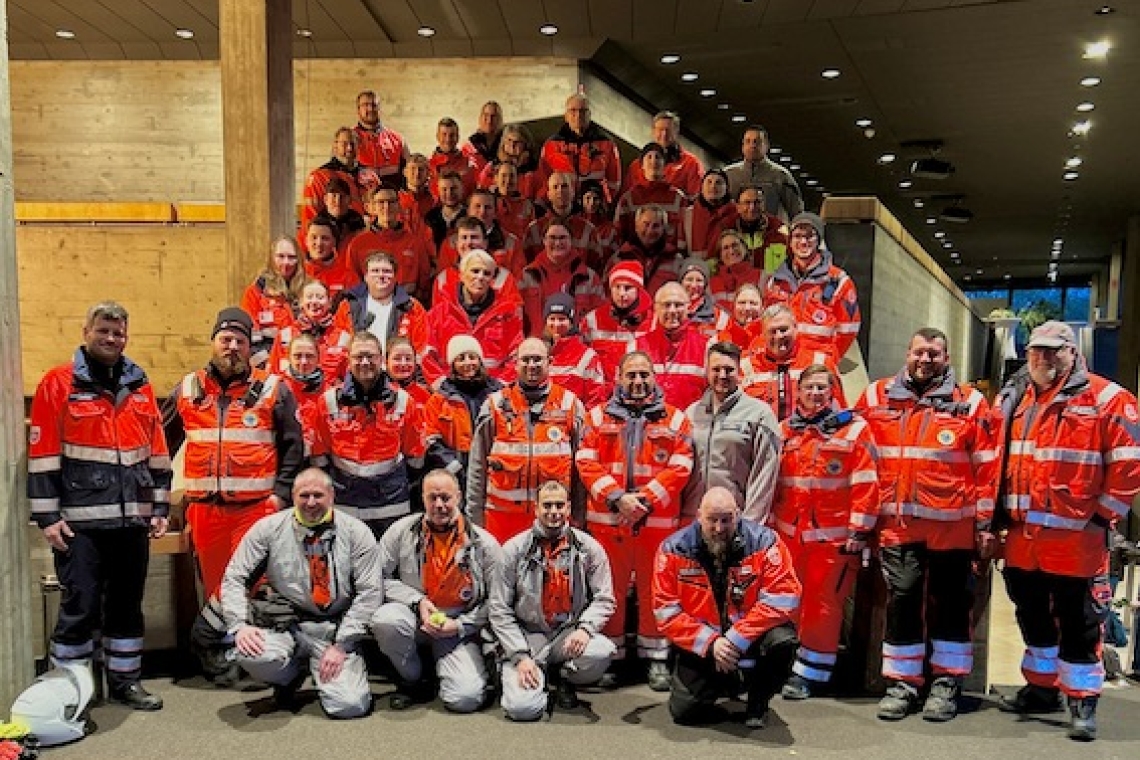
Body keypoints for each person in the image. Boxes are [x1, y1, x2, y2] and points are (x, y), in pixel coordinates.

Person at [993, 321, 1140, 741]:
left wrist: (1100, 518)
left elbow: (1129, 466)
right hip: (1024, 537)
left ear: (1073, 352)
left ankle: (1082, 701)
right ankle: (1042, 690)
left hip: (1077, 538)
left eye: (1054, 351)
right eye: (1037, 351)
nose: (1044, 358)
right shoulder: (1018, 399)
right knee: (1031, 613)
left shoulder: (1108, 399)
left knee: (1080, 622)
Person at [28, 301, 172, 710]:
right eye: (103, 331)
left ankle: (126, 682)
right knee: (80, 607)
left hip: (132, 524)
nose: (111, 339)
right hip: (80, 526)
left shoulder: (140, 385)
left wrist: (158, 508)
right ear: (86, 331)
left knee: (128, 606)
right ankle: (69, 689)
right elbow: (42, 453)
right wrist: (47, 517)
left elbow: (156, 454)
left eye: (119, 332)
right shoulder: (58, 383)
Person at [856, 327, 997, 723]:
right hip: (898, 525)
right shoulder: (875, 396)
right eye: (920, 352)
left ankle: (946, 683)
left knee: (951, 606)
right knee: (902, 601)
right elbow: (859, 459)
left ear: (946, 358)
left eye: (934, 354)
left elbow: (988, 468)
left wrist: (985, 525)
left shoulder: (969, 403)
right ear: (907, 353)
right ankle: (902, 684)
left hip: (954, 529)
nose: (926, 359)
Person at [163, 307, 305, 599]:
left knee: (256, 589)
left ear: (250, 347)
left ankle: (255, 645)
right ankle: (222, 644)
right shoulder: (188, 388)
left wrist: (279, 495)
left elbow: (294, 447)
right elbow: (159, 446)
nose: (233, 348)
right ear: (213, 342)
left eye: (240, 342)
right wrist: (158, 500)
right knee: (216, 592)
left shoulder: (272, 388)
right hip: (205, 513)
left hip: (255, 511)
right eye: (226, 340)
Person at [221, 468, 383, 718]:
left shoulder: (356, 532)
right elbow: (235, 576)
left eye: (318, 495)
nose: (310, 503)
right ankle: (289, 676)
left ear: (332, 495)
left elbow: (370, 592)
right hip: (288, 626)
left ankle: (332, 667)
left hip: (335, 629)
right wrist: (239, 625)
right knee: (250, 652)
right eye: (303, 495)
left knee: (350, 706)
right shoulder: (267, 529)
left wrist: (342, 644)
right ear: (293, 496)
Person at [575, 352, 695, 689]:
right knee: (608, 590)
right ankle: (609, 656)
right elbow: (585, 461)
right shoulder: (596, 418)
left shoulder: (676, 420)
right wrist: (617, 498)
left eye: (644, 374)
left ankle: (656, 658)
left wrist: (644, 500)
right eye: (631, 375)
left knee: (655, 590)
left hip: (655, 525)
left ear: (654, 377)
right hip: (608, 523)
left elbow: (681, 467)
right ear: (619, 378)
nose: (638, 381)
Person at [773, 364, 879, 700]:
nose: (816, 393)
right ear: (798, 391)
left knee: (823, 606)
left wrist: (858, 531)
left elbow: (866, 482)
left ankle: (811, 673)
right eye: (809, 388)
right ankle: (784, 664)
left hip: (833, 540)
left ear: (832, 391)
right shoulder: (784, 430)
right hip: (789, 536)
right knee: (788, 603)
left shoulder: (854, 430)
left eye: (822, 387)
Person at [653, 487, 800, 728]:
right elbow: (666, 613)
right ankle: (726, 683)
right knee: (686, 713)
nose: (719, 528)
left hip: (749, 636)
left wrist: (735, 638)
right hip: (703, 643)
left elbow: (783, 597)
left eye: (727, 520)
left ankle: (758, 701)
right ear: (699, 515)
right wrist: (712, 644)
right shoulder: (672, 550)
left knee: (783, 641)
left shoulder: (766, 542)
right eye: (712, 520)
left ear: (738, 514)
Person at [372, 469, 503, 712]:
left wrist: (462, 625)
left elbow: (499, 602)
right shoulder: (400, 532)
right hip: (415, 617)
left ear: (459, 498)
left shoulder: (484, 544)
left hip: (458, 627)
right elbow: (377, 578)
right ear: (422, 498)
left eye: (445, 497)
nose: (439, 505)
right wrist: (415, 601)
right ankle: (413, 680)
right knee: (386, 620)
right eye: (432, 498)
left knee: (465, 699)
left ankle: (467, 665)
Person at [489, 481, 617, 721]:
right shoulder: (513, 550)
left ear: (568, 508)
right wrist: (520, 655)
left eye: (559, 505)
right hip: (527, 637)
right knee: (522, 710)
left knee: (602, 651)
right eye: (547, 505)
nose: (554, 511)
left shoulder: (589, 548)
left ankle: (561, 676)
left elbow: (604, 598)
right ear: (535, 509)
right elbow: (498, 609)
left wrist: (585, 629)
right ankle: (523, 671)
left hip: (566, 635)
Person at [467, 338, 585, 543]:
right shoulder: (495, 405)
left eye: (538, 360)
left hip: (553, 519)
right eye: (526, 360)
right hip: (501, 521)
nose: (532, 366)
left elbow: (580, 469)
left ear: (550, 362)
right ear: (515, 363)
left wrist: (578, 516)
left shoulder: (570, 405)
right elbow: (477, 467)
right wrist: (475, 520)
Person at [310, 332, 426, 537]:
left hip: (392, 505)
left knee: (390, 566)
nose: (365, 362)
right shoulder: (328, 402)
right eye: (358, 357)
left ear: (381, 359)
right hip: (344, 502)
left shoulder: (403, 401)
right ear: (348, 360)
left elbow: (415, 456)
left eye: (371, 356)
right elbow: (319, 455)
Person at [683, 342, 780, 523]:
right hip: (694, 521)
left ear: (738, 372)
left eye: (729, 370)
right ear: (707, 371)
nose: (722, 375)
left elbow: (764, 476)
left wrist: (750, 525)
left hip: (734, 522)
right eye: (716, 369)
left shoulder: (759, 414)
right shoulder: (691, 413)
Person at [764, 212, 860, 366]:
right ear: (790, 241)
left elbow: (848, 330)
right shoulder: (775, 281)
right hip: (782, 363)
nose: (803, 242)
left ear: (819, 241)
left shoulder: (838, 282)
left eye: (809, 236)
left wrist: (828, 358)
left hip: (817, 367)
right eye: (797, 236)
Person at [423, 249, 524, 386]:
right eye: (475, 271)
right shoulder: (438, 314)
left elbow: (517, 357)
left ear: (492, 279)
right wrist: (442, 386)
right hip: (450, 391)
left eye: (487, 273)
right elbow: (427, 356)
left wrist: (500, 386)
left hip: (493, 392)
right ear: (462, 275)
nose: (480, 277)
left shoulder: (508, 315)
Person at [423, 335, 504, 488]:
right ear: (453, 364)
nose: (467, 363)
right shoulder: (439, 399)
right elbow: (431, 440)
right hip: (455, 476)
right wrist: (454, 467)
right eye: (461, 358)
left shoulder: (500, 394)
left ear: (480, 360)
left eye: (472, 357)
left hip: (495, 473)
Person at [742, 304, 843, 420]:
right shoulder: (746, 367)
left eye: (784, 329)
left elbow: (839, 410)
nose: (779, 336)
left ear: (796, 329)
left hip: (810, 436)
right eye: (772, 331)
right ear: (763, 334)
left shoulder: (822, 363)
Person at [518, 221, 604, 337]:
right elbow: (515, 317)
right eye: (552, 238)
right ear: (544, 240)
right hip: (536, 348)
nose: (557, 243)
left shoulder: (589, 278)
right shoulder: (527, 276)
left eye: (562, 238)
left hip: (577, 348)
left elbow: (600, 318)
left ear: (571, 241)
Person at [346, 186, 433, 300]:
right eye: (381, 202)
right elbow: (353, 284)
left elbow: (424, 284)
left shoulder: (414, 242)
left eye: (391, 202)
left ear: (399, 206)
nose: (386, 207)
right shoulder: (358, 244)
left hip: (406, 308)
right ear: (373, 207)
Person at [339, 252, 429, 359]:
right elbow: (339, 347)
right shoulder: (348, 306)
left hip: (398, 370)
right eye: (375, 271)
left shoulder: (412, 307)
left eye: (387, 271)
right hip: (359, 370)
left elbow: (422, 347)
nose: (381, 275)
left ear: (395, 277)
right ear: (366, 277)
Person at [636, 282, 710, 411]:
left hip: (691, 427)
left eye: (678, 305)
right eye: (666, 305)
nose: (672, 310)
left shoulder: (706, 347)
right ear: (655, 309)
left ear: (688, 308)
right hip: (649, 427)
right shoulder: (637, 347)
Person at [580, 260, 653, 391]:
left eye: (627, 287)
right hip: (601, 395)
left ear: (638, 289)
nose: (621, 293)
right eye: (616, 287)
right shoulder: (592, 320)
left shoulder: (652, 322)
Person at [539, 94, 621, 202]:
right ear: (566, 116)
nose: (578, 115)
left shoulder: (607, 143)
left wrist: (602, 203)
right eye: (573, 111)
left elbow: (614, 182)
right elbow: (543, 179)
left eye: (583, 111)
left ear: (589, 115)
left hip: (593, 207)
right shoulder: (551, 145)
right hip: (563, 206)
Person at [241, 235, 308, 367]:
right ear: (272, 259)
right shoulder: (256, 292)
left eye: (292, 257)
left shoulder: (309, 289)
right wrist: (267, 366)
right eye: (280, 257)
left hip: (304, 364)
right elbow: (248, 336)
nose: (286, 263)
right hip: (268, 365)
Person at [267, 280, 353, 381]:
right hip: (291, 394)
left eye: (320, 297)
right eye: (309, 297)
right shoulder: (285, 335)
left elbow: (349, 379)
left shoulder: (343, 338)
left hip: (326, 394)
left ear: (329, 303)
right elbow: (271, 375)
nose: (314, 301)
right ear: (301, 302)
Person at [436, 189, 527, 280]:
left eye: (488, 207)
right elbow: (444, 280)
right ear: (468, 211)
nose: (482, 212)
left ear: (495, 212)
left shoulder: (511, 243)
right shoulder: (450, 243)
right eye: (477, 206)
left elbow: (519, 280)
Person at [724, 124, 804, 221]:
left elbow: (797, 212)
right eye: (748, 141)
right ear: (742, 146)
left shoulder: (781, 175)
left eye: (757, 142)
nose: (752, 145)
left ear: (766, 146)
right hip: (734, 232)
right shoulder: (728, 174)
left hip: (770, 233)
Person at [614, 143, 687, 247]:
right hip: (635, 257)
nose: (653, 161)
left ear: (665, 164)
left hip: (667, 259)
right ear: (641, 165)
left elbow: (683, 235)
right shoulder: (628, 198)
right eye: (649, 157)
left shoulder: (678, 198)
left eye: (658, 157)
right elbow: (618, 234)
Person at [522, 172, 599, 266]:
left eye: (564, 186)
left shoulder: (588, 230)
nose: (560, 191)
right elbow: (526, 268)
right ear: (548, 195)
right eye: (555, 187)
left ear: (573, 192)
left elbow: (597, 267)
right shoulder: (534, 230)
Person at [544, 293, 606, 409]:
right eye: (552, 319)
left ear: (572, 322)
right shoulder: (537, 351)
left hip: (575, 423)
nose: (556, 324)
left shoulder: (588, 356)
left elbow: (596, 401)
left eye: (562, 319)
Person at [621, 110, 704, 198]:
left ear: (676, 132)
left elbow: (697, 199)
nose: (664, 134)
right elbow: (626, 198)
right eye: (660, 130)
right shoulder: (636, 166)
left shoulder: (691, 164)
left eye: (668, 130)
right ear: (653, 131)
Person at [301, 127, 363, 240]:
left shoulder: (370, 176)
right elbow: (311, 217)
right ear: (335, 146)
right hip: (333, 240)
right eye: (344, 144)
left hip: (364, 237)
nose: (349, 148)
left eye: (353, 144)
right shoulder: (319, 176)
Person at [610, 204, 681, 295]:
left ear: (663, 229)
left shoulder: (675, 260)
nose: (650, 231)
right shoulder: (619, 258)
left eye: (656, 226)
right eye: (646, 224)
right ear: (636, 226)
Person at [353, 89, 409, 190]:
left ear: (379, 109)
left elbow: (409, 175)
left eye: (374, 105)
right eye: (365, 105)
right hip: (362, 202)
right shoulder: (347, 140)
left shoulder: (398, 139)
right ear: (358, 110)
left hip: (392, 201)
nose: (370, 108)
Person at [680, 169, 737, 260]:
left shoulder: (736, 214)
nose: (713, 186)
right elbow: (681, 250)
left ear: (727, 188)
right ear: (701, 187)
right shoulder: (688, 214)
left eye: (718, 182)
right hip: (696, 269)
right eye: (709, 182)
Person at [302, 215, 359, 304]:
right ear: (306, 241)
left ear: (334, 242)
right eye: (313, 237)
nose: (319, 243)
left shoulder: (348, 277)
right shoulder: (297, 274)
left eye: (325, 238)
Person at [732, 185, 789, 274]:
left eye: (757, 202)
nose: (752, 208)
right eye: (747, 202)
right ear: (737, 207)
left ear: (764, 204)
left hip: (773, 286)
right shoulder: (726, 232)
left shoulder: (780, 231)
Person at [478, 123, 542, 199]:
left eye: (517, 141)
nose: (512, 145)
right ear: (503, 142)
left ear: (526, 144)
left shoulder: (534, 167)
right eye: (509, 140)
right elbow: (481, 188)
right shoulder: (492, 166)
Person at [677, 258, 731, 341]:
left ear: (705, 285)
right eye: (689, 279)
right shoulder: (668, 310)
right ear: (681, 282)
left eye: (699, 280)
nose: (694, 285)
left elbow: (727, 346)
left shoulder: (719, 315)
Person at [710, 230, 763, 311]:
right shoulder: (711, 284)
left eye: (735, 245)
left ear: (745, 248)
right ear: (720, 255)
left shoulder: (763, 277)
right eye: (726, 248)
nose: (731, 251)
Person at [429, 117, 478, 202]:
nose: (448, 139)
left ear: (458, 137)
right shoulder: (428, 165)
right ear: (437, 136)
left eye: (452, 135)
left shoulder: (468, 164)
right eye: (444, 134)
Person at [490, 162, 538, 241]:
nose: (508, 180)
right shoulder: (488, 202)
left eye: (512, 176)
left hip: (519, 250)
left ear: (517, 179)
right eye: (504, 175)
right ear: (496, 178)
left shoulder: (526, 205)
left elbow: (534, 237)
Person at [580, 180, 619, 268]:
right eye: (588, 198)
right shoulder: (574, 224)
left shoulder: (610, 229)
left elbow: (614, 257)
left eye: (596, 198)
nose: (592, 203)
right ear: (581, 200)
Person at [424, 171, 467, 250]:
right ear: (438, 191)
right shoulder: (430, 217)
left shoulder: (470, 215)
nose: (449, 193)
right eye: (444, 189)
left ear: (462, 188)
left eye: (453, 188)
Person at [717, 283, 765, 350]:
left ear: (762, 308)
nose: (747, 308)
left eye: (753, 303)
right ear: (733, 307)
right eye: (742, 302)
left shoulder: (772, 336)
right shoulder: (719, 339)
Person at [461, 100, 504, 174]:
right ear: (480, 118)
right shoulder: (469, 146)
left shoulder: (507, 144)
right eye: (486, 115)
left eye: (494, 116)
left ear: (500, 120)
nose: (489, 120)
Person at [386, 335, 430, 406]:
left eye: (408, 359)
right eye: (397, 358)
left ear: (415, 362)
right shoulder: (378, 391)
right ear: (386, 361)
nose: (403, 363)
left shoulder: (424, 395)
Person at [398, 153, 435, 228]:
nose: (417, 173)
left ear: (428, 173)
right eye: (413, 168)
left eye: (421, 169)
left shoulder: (435, 200)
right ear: (405, 172)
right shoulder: (395, 200)